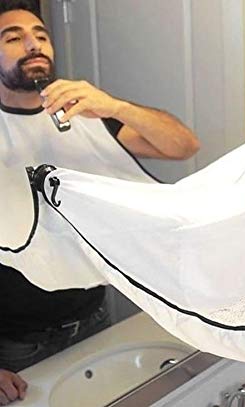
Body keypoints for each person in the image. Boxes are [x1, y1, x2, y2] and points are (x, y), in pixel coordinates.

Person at [0, 1, 199, 405]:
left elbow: (184, 146)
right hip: (15, 342)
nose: (33, 44)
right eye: (13, 38)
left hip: (94, 316)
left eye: (41, 36)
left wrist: (115, 106)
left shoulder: (86, 117)